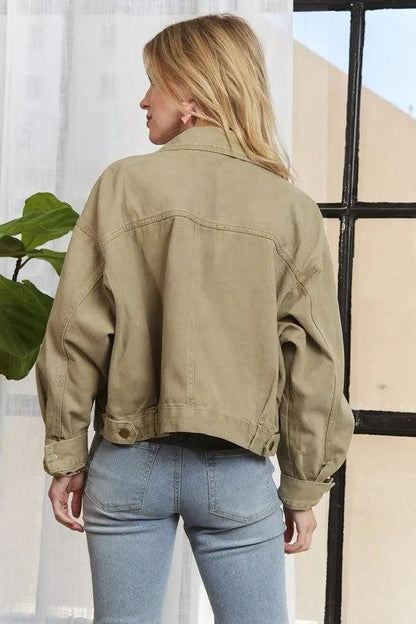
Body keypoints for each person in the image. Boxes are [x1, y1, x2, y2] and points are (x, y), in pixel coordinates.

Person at [35, 13, 355, 624]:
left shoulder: (122, 186)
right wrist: (303, 485)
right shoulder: (289, 207)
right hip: (235, 470)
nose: (143, 100)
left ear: (190, 95)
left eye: (153, 83)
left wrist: (66, 453)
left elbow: (74, 333)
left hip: (127, 463)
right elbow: (314, 361)